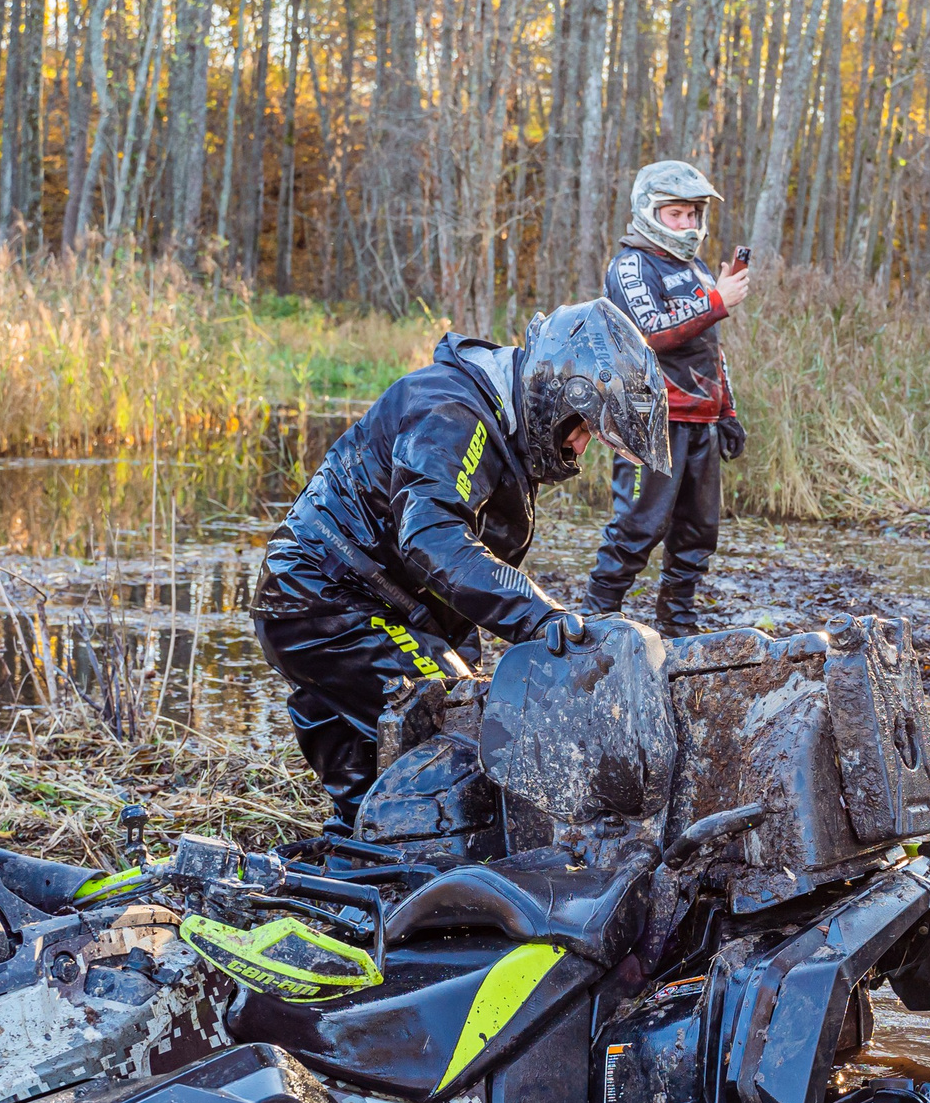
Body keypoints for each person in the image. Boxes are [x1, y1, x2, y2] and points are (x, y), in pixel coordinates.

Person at [255, 299, 670, 834]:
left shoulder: (494, 422)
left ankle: (357, 864)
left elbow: (449, 586)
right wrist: (541, 616)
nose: (580, 445)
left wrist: (469, 669)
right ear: (559, 392)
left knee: (377, 809)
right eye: (583, 427)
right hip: (328, 599)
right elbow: (431, 537)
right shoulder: (453, 410)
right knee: (458, 739)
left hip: (363, 600)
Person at [584, 160, 751, 636]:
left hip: (701, 418)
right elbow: (650, 333)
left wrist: (729, 411)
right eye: (675, 214)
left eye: (693, 214)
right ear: (650, 211)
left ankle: (677, 624)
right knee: (639, 526)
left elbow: (709, 349)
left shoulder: (696, 267)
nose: (687, 224)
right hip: (648, 416)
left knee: (698, 532)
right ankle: (596, 623)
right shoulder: (632, 264)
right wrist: (716, 301)